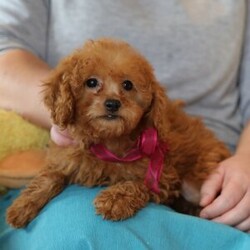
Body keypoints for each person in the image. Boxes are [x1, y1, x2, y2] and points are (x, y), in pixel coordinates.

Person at [0, 0, 250, 242]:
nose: (112, 100)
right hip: (71, 161)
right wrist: (63, 119)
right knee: (86, 228)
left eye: (127, 86)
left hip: (223, 172)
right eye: (92, 84)